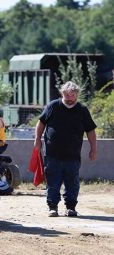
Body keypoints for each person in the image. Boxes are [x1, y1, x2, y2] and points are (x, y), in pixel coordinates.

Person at [34, 81, 97, 217]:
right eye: (67, 95)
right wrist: (37, 140)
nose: (69, 98)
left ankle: (70, 207)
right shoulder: (53, 106)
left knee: (72, 182)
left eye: (72, 95)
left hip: (72, 155)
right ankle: (52, 207)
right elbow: (41, 124)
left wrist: (93, 148)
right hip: (52, 154)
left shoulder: (82, 110)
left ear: (77, 95)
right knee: (52, 182)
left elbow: (90, 130)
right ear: (62, 93)